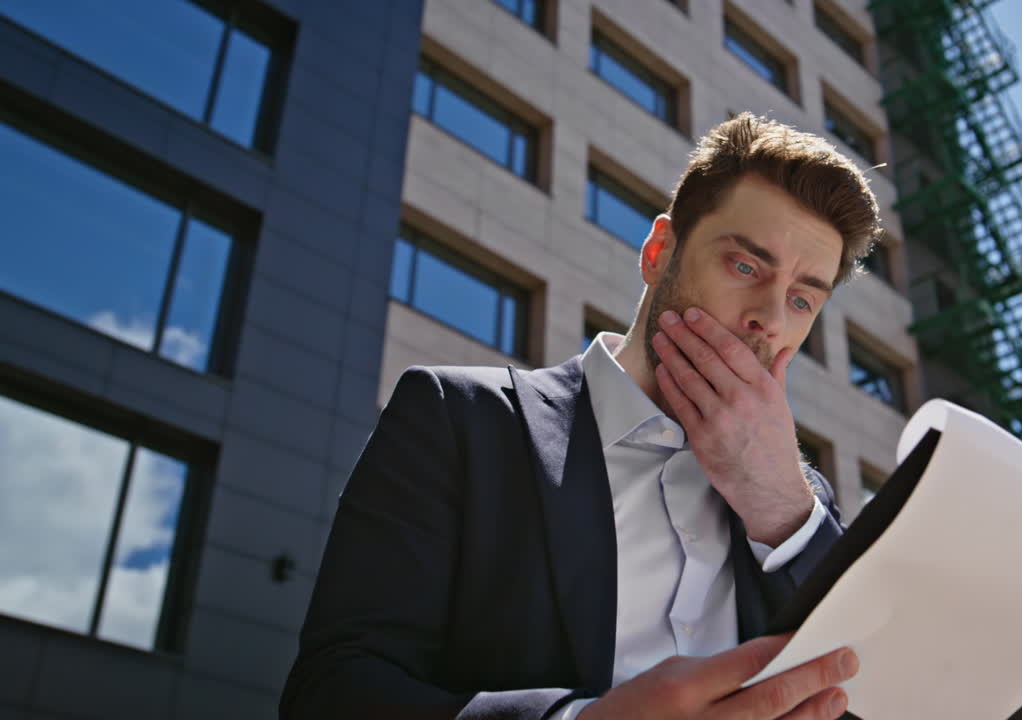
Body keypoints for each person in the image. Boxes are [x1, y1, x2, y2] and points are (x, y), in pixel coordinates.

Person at [279, 113, 883, 720]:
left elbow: (872, 694)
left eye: (803, 299)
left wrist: (781, 507)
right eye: (746, 267)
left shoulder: (804, 506)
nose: (771, 320)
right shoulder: (458, 421)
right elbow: (333, 693)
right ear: (658, 252)